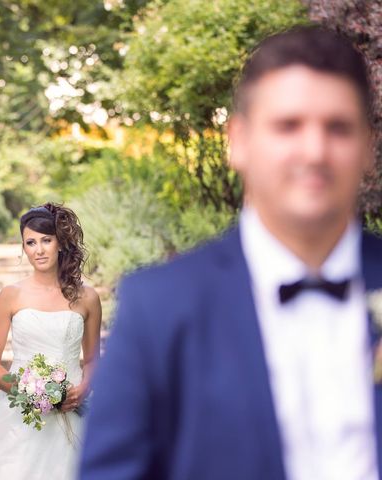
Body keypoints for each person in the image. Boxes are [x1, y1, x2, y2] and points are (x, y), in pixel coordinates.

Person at [79, 25, 382, 480]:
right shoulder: (158, 307)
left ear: (368, 148)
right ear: (238, 141)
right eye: (288, 126)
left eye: (338, 128)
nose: (315, 150)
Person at [0, 202, 102, 479]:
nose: (38, 250)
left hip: (73, 410)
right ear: (24, 248)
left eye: (46, 240)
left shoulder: (88, 298)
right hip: (19, 414)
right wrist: (30, 394)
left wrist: (84, 388)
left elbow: (92, 359)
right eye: (30, 242)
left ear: (60, 243)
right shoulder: (11, 295)